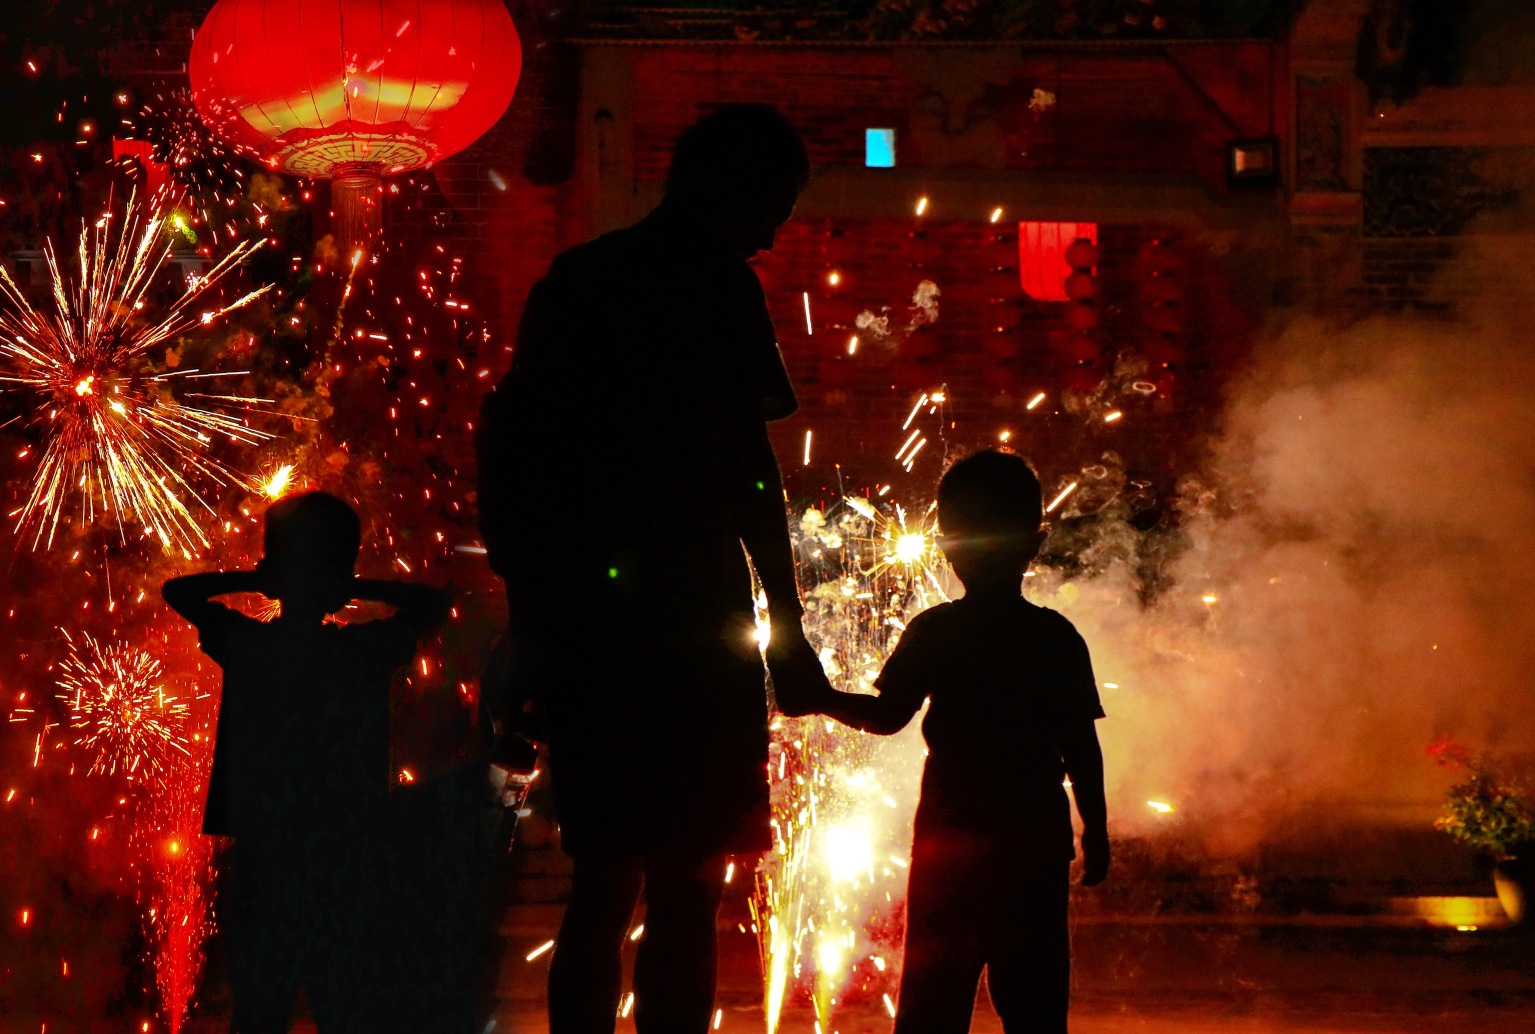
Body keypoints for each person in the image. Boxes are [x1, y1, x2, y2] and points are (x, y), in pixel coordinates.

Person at [474, 103, 833, 1034]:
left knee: (600, 884)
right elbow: (750, 474)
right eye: (775, 203)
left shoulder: (577, 281)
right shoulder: (717, 288)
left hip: (589, 635)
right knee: (688, 890)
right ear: (731, 188)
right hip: (694, 631)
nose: (777, 229)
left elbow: (515, 457)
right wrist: (786, 632)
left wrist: (532, 626)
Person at [817, 450, 1110, 1034]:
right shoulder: (1055, 638)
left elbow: (885, 717)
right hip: (1034, 845)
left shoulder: (937, 631)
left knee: (932, 1004)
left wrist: (819, 698)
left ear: (947, 546)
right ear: (1036, 540)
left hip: (949, 850)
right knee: (1036, 1006)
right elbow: (1081, 746)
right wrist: (1096, 830)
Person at [162, 491, 452, 1034]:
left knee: (259, 1014)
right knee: (346, 1011)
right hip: (345, 858)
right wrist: (351, 584)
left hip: (263, 857)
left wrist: (261, 578)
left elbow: (178, 591)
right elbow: (432, 605)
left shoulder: (248, 645)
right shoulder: (360, 654)